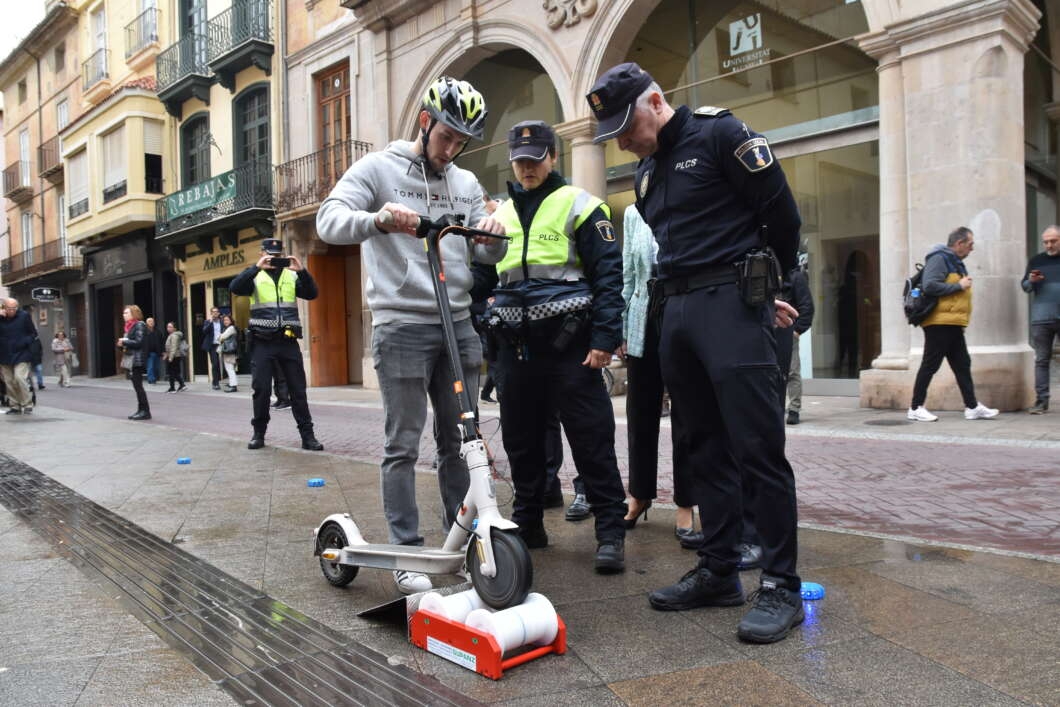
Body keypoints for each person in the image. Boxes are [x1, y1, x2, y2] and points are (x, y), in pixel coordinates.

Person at [587, 62, 804, 643]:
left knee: (757, 448)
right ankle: (718, 570)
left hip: (732, 303)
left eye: (625, 125)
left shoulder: (723, 136)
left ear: (655, 100)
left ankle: (781, 585)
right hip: (675, 311)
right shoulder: (647, 172)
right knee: (700, 446)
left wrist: (773, 292)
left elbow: (782, 217)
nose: (622, 140)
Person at [316, 76, 507, 595]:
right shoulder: (378, 169)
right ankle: (407, 550)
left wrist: (492, 237)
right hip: (402, 324)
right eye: (446, 136)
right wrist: (377, 219)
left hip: (458, 323)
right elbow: (328, 220)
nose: (451, 150)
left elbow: (486, 252)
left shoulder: (464, 183)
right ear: (424, 122)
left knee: (460, 440)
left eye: (461, 141)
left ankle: (465, 542)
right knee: (401, 443)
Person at [487, 119, 627, 573]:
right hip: (517, 349)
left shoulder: (580, 205)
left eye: (535, 159)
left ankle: (610, 532)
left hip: (572, 346)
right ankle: (528, 523)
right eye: (520, 160)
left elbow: (609, 275)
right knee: (521, 442)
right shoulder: (499, 215)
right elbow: (481, 281)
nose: (527, 167)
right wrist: (488, 338)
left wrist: (605, 338)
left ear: (553, 158)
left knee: (591, 440)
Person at [618, 206, 700, 546]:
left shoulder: (683, 198)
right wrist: (622, 327)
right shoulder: (633, 214)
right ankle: (639, 494)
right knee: (640, 411)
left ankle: (685, 502)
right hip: (641, 315)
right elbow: (628, 274)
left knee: (686, 413)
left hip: (680, 310)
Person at [229, 239, 323, 452]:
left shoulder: (291, 275)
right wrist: (256, 267)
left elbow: (312, 293)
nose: (275, 259)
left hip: (288, 341)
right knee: (261, 390)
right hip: (262, 342)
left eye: (278, 255)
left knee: (298, 391)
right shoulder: (255, 275)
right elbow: (235, 287)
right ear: (262, 253)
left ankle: (308, 437)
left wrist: (302, 272)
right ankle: (258, 434)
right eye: (271, 255)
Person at [907, 227, 999, 422]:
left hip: (952, 323)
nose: (971, 249)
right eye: (970, 244)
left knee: (962, 365)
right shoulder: (939, 258)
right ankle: (915, 407)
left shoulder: (954, 262)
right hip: (939, 323)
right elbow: (930, 285)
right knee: (930, 365)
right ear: (959, 243)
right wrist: (959, 286)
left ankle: (972, 407)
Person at [1021, 225, 1060, 414]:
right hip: (1041, 318)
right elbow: (1025, 286)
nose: (1049, 245)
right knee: (1042, 360)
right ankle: (1041, 401)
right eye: (1046, 242)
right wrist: (1031, 281)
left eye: (1053, 241)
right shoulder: (1036, 261)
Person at [783, 256, 815, 425]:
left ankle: (794, 408)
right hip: (768, 331)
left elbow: (807, 306)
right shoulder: (772, 273)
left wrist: (797, 330)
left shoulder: (796, 276)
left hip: (787, 330)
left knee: (791, 371)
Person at [0, 298, 37, 414]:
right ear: (4, 307)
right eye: (9, 308)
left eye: (14, 308)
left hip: (21, 353)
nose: (11, 311)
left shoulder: (24, 316)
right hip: (4, 353)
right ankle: (15, 406)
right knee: (9, 381)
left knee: (19, 378)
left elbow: (33, 333)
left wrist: (25, 342)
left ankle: (27, 404)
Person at [117, 304, 151, 420]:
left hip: (137, 360)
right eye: (124, 313)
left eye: (126, 313)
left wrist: (125, 341)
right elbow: (129, 345)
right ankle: (141, 409)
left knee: (138, 386)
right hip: (131, 360)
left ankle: (145, 411)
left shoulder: (139, 325)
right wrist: (121, 345)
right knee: (137, 386)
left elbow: (139, 342)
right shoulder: (129, 327)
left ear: (133, 314)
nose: (124, 315)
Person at [201, 306, 223, 390]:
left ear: (218, 313)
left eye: (216, 311)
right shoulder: (207, 322)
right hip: (212, 346)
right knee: (215, 364)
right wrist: (210, 323)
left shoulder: (221, 322)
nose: (215, 313)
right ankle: (215, 383)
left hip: (221, 345)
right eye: (213, 312)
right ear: (211, 313)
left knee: (222, 364)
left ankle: (218, 380)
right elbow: (204, 331)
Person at [216, 314, 240, 392]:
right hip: (229, 351)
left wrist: (220, 337)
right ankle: (232, 383)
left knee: (230, 368)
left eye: (227, 320)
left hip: (229, 351)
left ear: (231, 321)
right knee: (230, 368)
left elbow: (222, 337)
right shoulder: (228, 328)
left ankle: (233, 386)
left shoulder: (231, 328)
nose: (225, 321)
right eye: (224, 320)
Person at [163, 322, 187, 393]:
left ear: (174, 328)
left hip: (174, 356)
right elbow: (169, 347)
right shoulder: (172, 335)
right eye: (168, 327)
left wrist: (170, 357)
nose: (168, 328)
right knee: (175, 372)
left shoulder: (174, 336)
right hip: (174, 356)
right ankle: (182, 385)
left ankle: (172, 388)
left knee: (172, 373)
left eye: (170, 327)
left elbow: (174, 347)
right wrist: (166, 355)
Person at [144, 317, 164, 385]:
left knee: (156, 367)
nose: (151, 323)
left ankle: (154, 378)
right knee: (150, 366)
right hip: (149, 353)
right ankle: (151, 379)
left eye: (152, 321)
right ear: (146, 323)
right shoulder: (144, 332)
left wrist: (162, 351)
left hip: (157, 352)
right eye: (149, 321)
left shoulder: (158, 331)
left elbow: (162, 342)